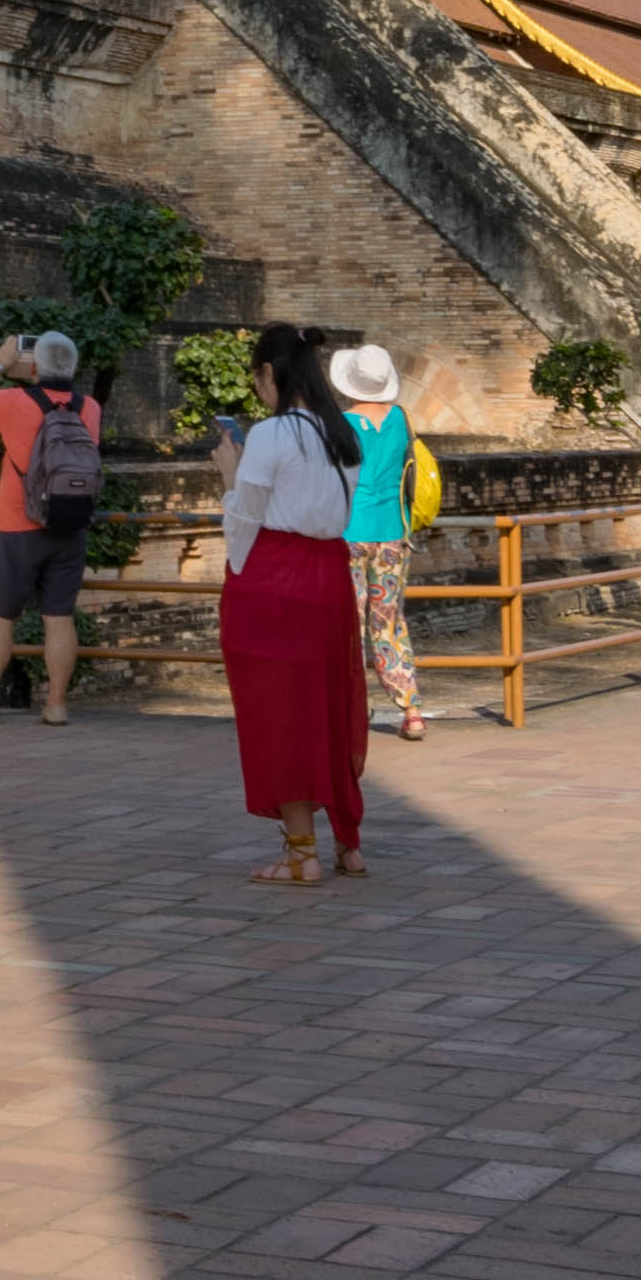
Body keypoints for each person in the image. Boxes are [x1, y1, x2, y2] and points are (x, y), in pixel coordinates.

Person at [215, 327, 369, 885]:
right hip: (328, 577)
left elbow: (244, 522)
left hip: (275, 580)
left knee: (279, 711)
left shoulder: (272, 435)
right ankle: (346, 844)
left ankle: (300, 851)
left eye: (256, 378)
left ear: (269, 374)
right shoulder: (343, 436)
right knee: (327, 704)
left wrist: (229, 474)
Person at [0, 331, 103, 722]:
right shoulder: (91, 407)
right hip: (69, 526)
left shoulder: (13, 402)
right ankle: (56, 705)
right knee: (59, 617)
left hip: (17, 526)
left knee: (1, 619)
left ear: (34, 367)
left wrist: (1, 363)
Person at [325, 339, 425, 741]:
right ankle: (412, 710)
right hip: (393, 533)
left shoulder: (339, 423)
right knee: (388, 622)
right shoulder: (402, 418)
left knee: (345, 624)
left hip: (348, 533)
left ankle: (348, 711)